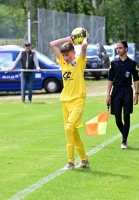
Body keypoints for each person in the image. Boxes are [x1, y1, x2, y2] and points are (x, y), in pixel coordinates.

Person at [50, 35, 89, 170]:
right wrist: (67, 39)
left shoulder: (79, 61)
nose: (66, 57)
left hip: (78, 100)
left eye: (68, 55)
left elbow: (84, 47)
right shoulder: (62, 62)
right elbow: (52, 44)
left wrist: (84, 38)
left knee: (68, 128)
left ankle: (70, 163)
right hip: (65, 101)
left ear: (73, 52)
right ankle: (84, 160)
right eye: (64, 55)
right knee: (73, 132)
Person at [106, 40, 139, 149]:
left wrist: (136, 93)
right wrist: (108, 94)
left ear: (126, 49)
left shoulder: (132, 63)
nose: (118, 50)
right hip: (116, 91)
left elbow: (136, 79)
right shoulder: (113, 63)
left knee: (126, 115)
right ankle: (124, 134)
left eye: (120, 48)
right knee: (117, 118)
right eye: (117, 48)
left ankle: (124, 141)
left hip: (127, 91)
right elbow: (110, 80)